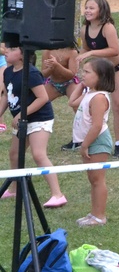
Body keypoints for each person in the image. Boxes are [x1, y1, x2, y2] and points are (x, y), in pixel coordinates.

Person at [0, 44, 68, 209]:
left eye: (12, 48)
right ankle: (15, 189)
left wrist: (22, 114)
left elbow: (43, 98)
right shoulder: (8, 72)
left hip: (39, 119)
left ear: (23, 54)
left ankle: (58, 194)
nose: (6, 50)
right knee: (15, 154)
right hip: (23, 120)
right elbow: (7, 96)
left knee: (39, 154)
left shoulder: (30, 73)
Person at [80, 0, 119, 158]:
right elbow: (84, 50)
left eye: (91, 8)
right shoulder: (84, 29)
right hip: (99, 72)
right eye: (86, 7)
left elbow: (114, 50)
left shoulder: (108, 27)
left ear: (101, 10)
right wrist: (78, 68)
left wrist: (92, 53)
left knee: (118, 104)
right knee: (90, 106)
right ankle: (87, 138)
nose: (87, 10)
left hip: (117, 68)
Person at [67, 57, 113, 226]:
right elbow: (71, 102)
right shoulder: (89, 94)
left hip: (97, 141)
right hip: (90, 141)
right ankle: (93, 213)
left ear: (100, 76)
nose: (82, 74)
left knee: (98, 179)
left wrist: (85, 144)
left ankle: (100, 216)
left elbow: (97, 125)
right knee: (92, 180)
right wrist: (81, 84)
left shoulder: (99, 97)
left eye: (87, 72)